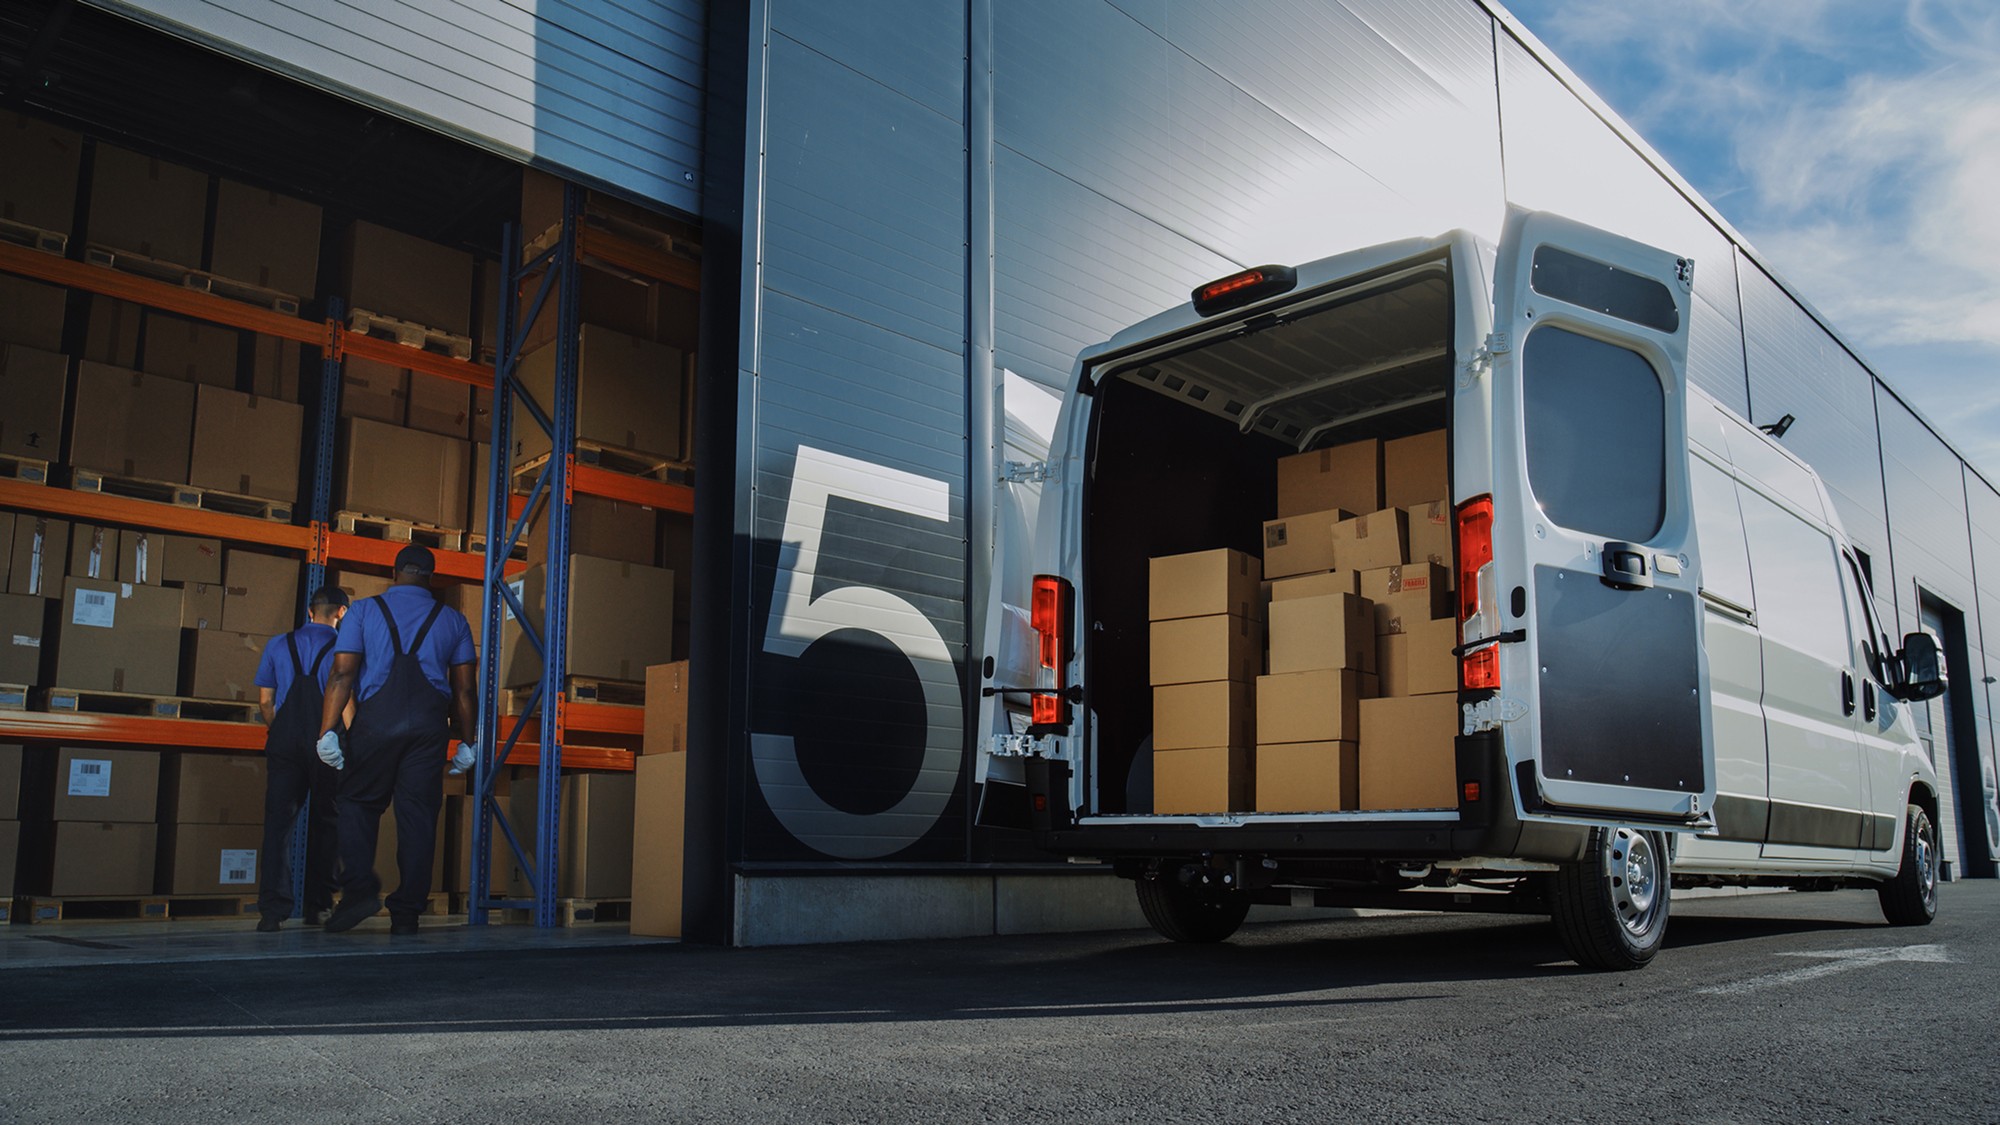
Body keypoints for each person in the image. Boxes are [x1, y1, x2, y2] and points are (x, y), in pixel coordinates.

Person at [316, 545, 479, 934]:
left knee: (356, 803)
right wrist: (468, 742)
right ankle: (407, 913)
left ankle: (359, 890)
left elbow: (342, 676)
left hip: (375, 725)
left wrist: (326, 732)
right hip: (428, 730)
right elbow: (465, 691)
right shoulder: (454, 621)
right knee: (419, 818)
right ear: (431, 576)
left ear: (394, 572)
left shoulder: (363, 612)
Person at [253, 584, 351, 931]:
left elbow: (265, 701)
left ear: (310, 611)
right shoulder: (345, 648)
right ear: (342, 612)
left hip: (285, 744)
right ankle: (318, 907)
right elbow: (348, 701)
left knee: (278, 826)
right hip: (328, 743)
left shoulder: (278, 644)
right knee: (328, 823)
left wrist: (280, 730)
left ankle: (272, 911)